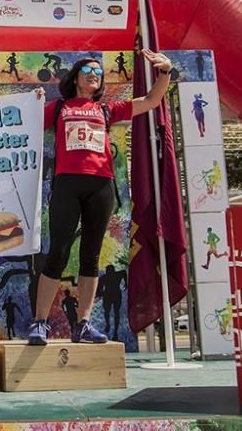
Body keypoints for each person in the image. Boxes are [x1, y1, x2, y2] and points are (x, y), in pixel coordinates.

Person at [28, 51, 172, 345]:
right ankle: (40, 322)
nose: (94, 75)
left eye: (98, 73)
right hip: (67, 184)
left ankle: (82, 324)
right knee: (58, 252)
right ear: (75, 78)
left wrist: (165, 72)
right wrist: (33, 101)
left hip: (101, 187)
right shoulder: (58, 107)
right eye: (88, 71)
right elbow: (22, 120)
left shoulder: (108, 109)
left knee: (91, 256)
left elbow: (151, 101)